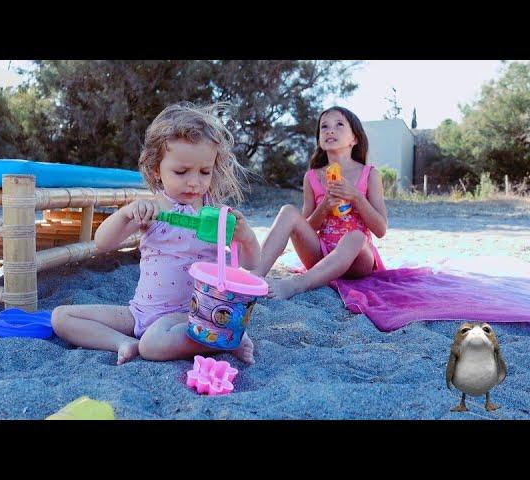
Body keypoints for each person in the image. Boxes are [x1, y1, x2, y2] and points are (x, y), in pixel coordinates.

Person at [51, 103, 261, 365]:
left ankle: (219, 339)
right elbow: (103, 243)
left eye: (204, 172)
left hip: (191, 316)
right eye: (181, 172)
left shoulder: (216, 217)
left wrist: (247, 237)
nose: (194, 182)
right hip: (141, 312)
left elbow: (252, 265)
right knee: (61, 317)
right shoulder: (152, 209)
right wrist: (127, 214)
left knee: (152, 345)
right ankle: (123, 343)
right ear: (155, 170)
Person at [252, 106, 387, 300]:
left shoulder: (370, 174)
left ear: (354, 139)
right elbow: (304, 227)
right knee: (288, 211)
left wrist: (356, 197)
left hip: (358, 260)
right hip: (320, 256)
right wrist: (324, 208)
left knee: (355, 237)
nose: (330, 130)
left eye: (339, 125)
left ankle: (296, 285)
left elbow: (381, 230)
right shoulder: (312, 177)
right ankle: (255, 276)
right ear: (319, 140)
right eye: (324, 126)